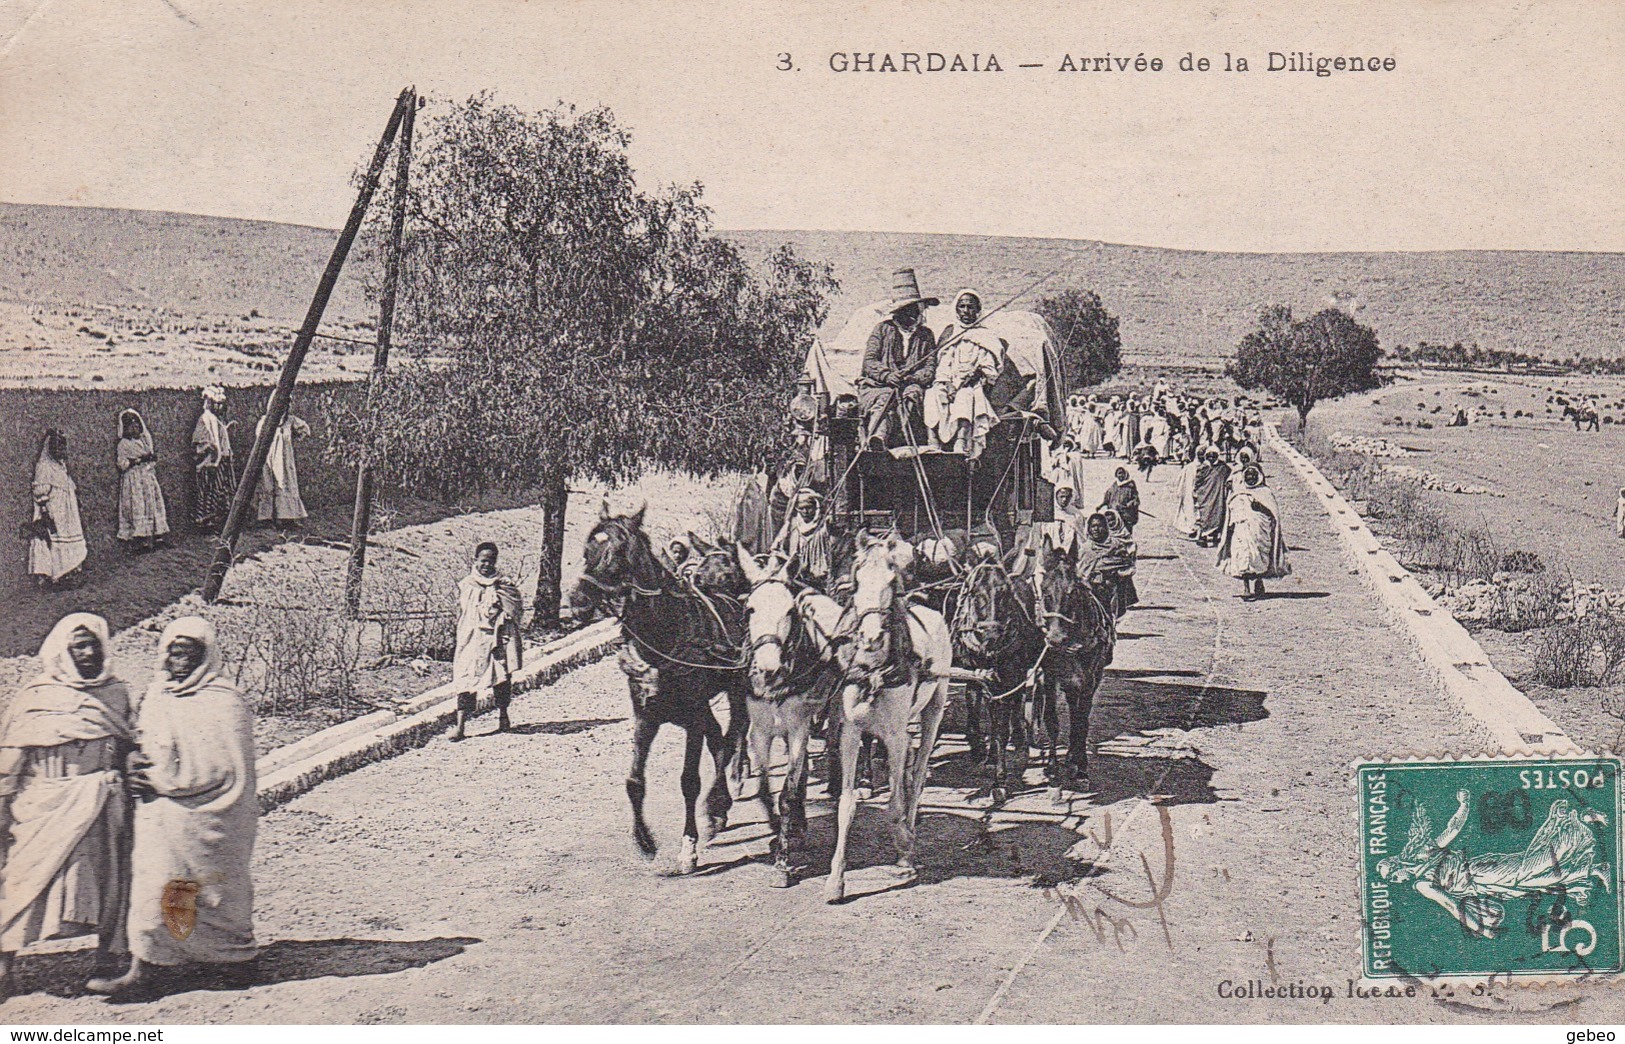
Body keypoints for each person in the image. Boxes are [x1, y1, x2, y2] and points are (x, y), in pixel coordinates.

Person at [89, 618, 257, 997]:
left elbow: (223, 767)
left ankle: (232, 959)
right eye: (172, 651)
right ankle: (150, 964)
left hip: (213, 816)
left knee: (215, 890)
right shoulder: (158, 695)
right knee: (155, 886)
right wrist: (133, 764)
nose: (177, 659)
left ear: (205, 655)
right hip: (160, 816)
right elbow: (142, 743)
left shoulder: (224, 701)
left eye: (188, 652)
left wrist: (164, 781)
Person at [0, 615, 134, 998]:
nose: (89, 653)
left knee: (111, 883)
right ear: (63, 649)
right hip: (42, 806)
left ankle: (109, 960)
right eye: (79, 646)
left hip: (103, 808)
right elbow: (9, 758)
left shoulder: (116, 693)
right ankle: (4, 967)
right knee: (22, 883)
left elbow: (129, 744)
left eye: (94, 644)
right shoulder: (36, 696)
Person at [858, 268, 938, 450]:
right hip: (878, 386)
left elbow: (930, 367)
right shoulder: (882, 330)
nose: (911, 314)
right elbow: (869, 362)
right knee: (886, 397)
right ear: (897, 312)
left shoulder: (926, 335)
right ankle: (877, 438)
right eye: (905, 309)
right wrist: (887, 375)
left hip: (911, 385)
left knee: (913, 393)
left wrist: (912, 378)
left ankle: (904, 432)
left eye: (914, 308)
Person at [451, 542, 524, 740]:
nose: (486, 565)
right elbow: (462, 612)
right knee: (466, 678)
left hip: (497, 637)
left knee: (501, 677)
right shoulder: (466, 584)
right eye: (483, 560)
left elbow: (516, 609)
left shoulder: (504, 585)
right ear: (476, 560)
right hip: (472, 638)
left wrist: (503, 615)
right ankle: (460, 726)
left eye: (491, 561)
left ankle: (503, 716)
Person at [924, 289, 1002, 458]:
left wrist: (974, 376)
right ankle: (933, 440)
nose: (966, 311)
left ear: (978, 309)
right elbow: (943, 365)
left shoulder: (986, 336)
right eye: (962, 307)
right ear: (956, 309)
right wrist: (945, 384)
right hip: (949, 383)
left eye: (970, 307)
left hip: (972, 386)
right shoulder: (951, 334)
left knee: (965, 396)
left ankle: (962, 439)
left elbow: (990, 368)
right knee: (932, 394)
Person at [1217, 465, 1291, 599]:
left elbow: (1274, 515)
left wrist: (1261, 507)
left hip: (1259, 532)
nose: (1250, 478)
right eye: (1248, 476)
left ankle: (1259, 581)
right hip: (1241, 531)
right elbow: (1230, 512)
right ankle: (1246, 587)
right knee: (1243, 556)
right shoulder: (1238, 494)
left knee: (1258, 557)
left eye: (1253, 475)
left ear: (1259, 476)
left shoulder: (1265, 493)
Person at [27, 429, 87, 588]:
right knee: (55, 539)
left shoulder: (60, 466)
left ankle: (70, 571)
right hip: (54, 509)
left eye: (62, 447)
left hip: (67, 511)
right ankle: (56, 575)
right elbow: (40, 493)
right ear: (50, 449)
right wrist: (46, 514)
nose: (61, 451)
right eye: (57, 447)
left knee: (69, 537)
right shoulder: (44, 467)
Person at [116, 410, 170, 553]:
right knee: (138, 506)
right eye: (130, 426)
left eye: (136, 425)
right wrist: (137, 461)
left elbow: (152, 458)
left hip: (146, 477)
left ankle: (158, 535)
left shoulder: (144, 441)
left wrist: (149, 460)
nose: (134, 429)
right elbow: (122, 464)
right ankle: (140, 539)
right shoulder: (123, 444)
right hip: (134, 480)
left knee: (152, 504)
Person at [254, 398, 311, 528]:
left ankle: (287, 518)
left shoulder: (290, 421)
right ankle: (266, 518)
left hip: (284, 460)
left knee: (285, 482)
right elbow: (259, 438)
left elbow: (305, 430)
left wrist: (295, 436)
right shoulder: (265, 421)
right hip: (269, 457)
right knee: (268, 485)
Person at [1076, 510, 1138, 619]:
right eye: (1093, 526)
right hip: (1088, 591)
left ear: (1106, 527)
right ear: (1088, 529)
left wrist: (1110, 570)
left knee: (1108, 618)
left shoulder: (1116, 545)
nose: (1096, 529)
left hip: (1109, 591)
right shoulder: (1085, 549)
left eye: (1099, 526)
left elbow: (1127, 565)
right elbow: (1079, 572)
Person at [192, 387, 236, 531]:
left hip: (219, 461)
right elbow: (204, 441)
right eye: (216, 403)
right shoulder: (205, 419)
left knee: (217, 491)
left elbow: (219, 439)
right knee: (207, 491)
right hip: (209, 463)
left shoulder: (216, 419)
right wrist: (212, 458)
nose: (219, 407)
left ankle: (214, 521)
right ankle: (203, 521)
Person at [1193, 447, 1231, 548]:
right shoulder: (1203, 468)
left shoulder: (1223, 467)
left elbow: (1229, 476)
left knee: (1218, 515)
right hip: (1205, 495)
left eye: (1214, 456)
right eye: (1209, 456)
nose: (1211, 458)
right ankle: (1202, 537)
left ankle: (1215, 536)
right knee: (1205, 515)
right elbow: (1197, 482)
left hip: (1218, 496)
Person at [1171, 449, 1200, 538]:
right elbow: (1180, 479)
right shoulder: (1189, 467)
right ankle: (1192, 529)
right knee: (1190, 510)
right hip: (1189, 492)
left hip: (1201, 492)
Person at [1101, 467, 1141, 531]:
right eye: (1119, 473)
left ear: (1125, 474)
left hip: (1126, 514)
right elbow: (1108, 495)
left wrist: (1130, 503)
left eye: (1122, 473)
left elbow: (1136, 499)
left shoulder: (1130, 485)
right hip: (1115, 513)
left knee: (1126, 530)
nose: (1120, 475)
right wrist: (1101, 505)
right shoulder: (1114, 485)